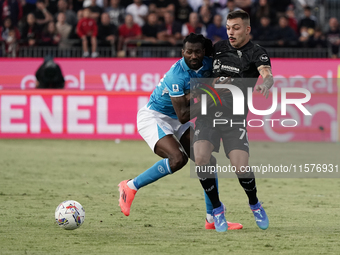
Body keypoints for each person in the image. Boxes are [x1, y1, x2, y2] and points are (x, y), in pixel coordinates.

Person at [118, 33, 242, 231]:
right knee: (178, 159)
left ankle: (212, 218)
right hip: (155, 117)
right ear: (182, 52)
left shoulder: (209, 63)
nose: (193, 56)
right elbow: (184, 115)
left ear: (203, 52)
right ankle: (130, 186)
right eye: (189, 52)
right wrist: (213, 95)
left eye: (197, 52)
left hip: (177, 118)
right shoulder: (176, 75)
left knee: (207, 160)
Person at [193, 10, 274, 231]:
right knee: (201, 158)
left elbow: (267, 74)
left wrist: (265, 85)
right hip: (207, 114)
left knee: (241, 167)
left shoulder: (257, 52)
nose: (231, 32)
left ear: (247, 29)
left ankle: (255, 204)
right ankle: (217, 210)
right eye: (228, 27)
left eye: (236, 28)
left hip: (234, 118)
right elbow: (195, 63)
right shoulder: (218, 48)